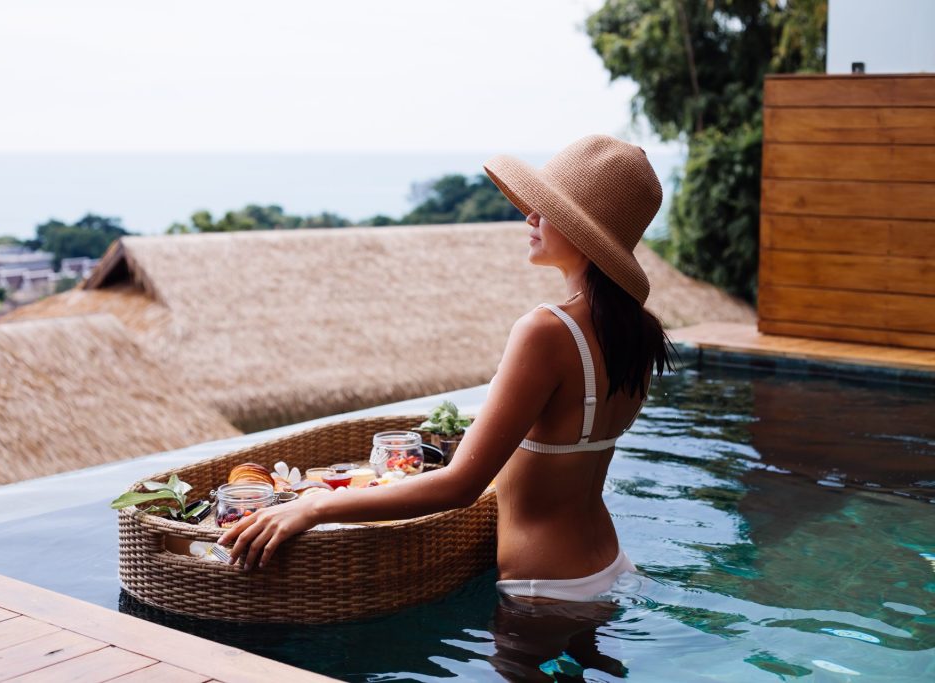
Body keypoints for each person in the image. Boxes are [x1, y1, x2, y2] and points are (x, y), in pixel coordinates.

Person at [219, 134, 675, 604]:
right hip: (607, 562)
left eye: (548, 208)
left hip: (546, 585)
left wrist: (314, 507)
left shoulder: (546, 330)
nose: (530, 217)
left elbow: (460, 485)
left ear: (585, 232)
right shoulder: (639, 333)